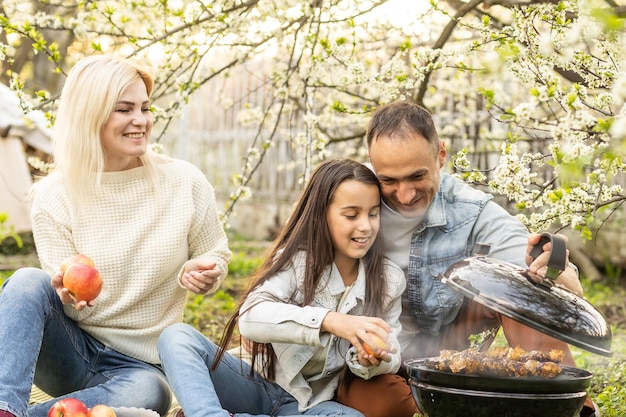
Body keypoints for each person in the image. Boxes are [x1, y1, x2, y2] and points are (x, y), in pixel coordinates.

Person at [0, 55, 232, 417]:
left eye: (145, 108)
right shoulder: (54, 196)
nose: (141, 121)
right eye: (124, 110)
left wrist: (208, 271)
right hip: (72, 351)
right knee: (27, 281)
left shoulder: (185, 182)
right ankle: (5, 406)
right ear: (91, 116)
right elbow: (61, 292)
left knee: (151, 393)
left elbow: (215, 252)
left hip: (138, 368)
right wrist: (66, 294)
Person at [334, 101, 597, 417]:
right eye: (389, 180)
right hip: (375, 357)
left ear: (441, 155)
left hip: (448, 349)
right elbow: (298, 264)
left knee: (518, 286)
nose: (404, 195)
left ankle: (569, 404)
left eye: (417, 176)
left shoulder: (472, 210)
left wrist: (554, 268)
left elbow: (542, 270)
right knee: (378, 406)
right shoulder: (349, 204)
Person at [157, 159, 406, 417]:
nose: (365, 226)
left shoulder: (389, 279)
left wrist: (370, 360)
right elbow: (250, 317)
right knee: (176, 337)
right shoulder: (297, 261)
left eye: (373, 213)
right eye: (351, 215)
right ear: (322, 214)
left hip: (309, 404)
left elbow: (393, 352)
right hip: (252, 385)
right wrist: (329, 321)